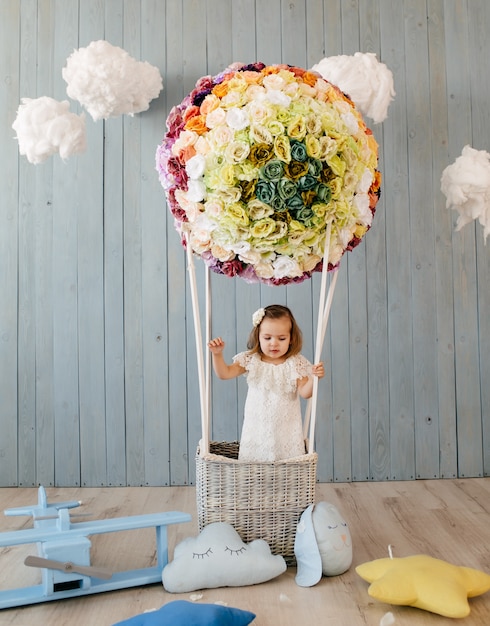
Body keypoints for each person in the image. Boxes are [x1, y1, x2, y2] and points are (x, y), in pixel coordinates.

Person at [208, 304, 325, 462]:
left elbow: (306, 392)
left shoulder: (295, 363)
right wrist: (217, 355)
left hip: (286, 430)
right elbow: (224, 373)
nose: (274, 343)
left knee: (286, 472)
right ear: (258, 337)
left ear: (291, 339)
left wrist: (313, 378)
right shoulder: (252, 360)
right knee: (255, 470)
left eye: (281, 338)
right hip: (257, 428)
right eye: (267, 338)